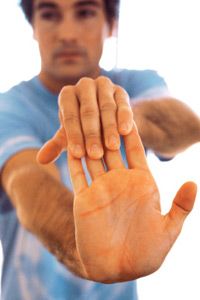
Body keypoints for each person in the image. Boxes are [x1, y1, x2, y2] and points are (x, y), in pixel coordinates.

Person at [0, 0, 199, 299]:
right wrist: (83, 250)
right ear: (33, 26)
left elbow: (186, 125)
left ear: (112, 25)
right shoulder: (8, 108)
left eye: (85, 12)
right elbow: (30, 189)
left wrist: (121, 117)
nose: (67, 33)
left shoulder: (137, 82)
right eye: (50, 14)